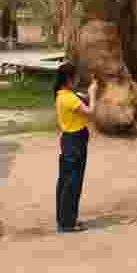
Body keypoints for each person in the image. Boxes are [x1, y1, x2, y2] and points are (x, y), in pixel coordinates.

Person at [54, 62, 97, 233]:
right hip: (74, 141)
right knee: (72, 182)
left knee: (67, 181)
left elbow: (80, 101)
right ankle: (66, 223)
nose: (78, 80)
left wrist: (89, 91)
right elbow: (90, 112)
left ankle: (66, 220)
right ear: (69, 79)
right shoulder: (68, 98)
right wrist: (92, 94)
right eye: (76, 77)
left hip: (71, 140)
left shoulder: (64, 94)